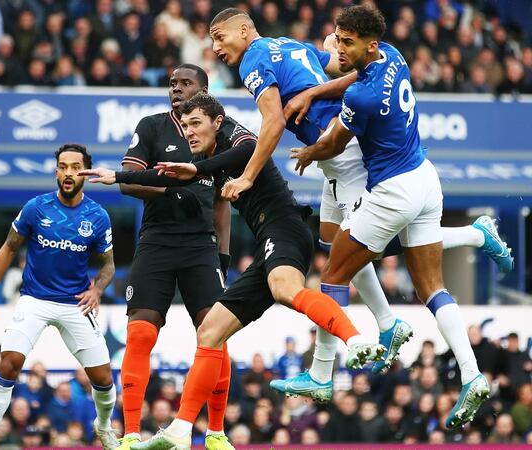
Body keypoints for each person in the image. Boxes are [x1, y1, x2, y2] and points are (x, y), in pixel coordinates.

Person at [208, 6, 511, 403]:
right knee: (332, 238)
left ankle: (325, 370)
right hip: (381, 165)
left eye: (220, 37)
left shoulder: (255, 59)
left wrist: (249, 175)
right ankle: (389, 321)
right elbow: (340, 66)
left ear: (245, 30)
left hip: (344, 157)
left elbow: (275, 122)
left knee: (342, 262)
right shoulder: (291, 45)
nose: (216, 47)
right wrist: (316, 85)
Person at [81, 93, 383, 448]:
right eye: (185, 125)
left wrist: (198, 170)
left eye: (196, 124)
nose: (189, 132)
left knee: (285, 289)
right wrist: (115, 175)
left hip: (285, 228)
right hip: (265, 241)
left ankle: (355, 339)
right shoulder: (204, 159)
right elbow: (173, 178)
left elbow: (250, 148)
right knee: (211, 331)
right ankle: (180, 430)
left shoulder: (234, 136)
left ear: (217, 122)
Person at [289, 5, 489, 428]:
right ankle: (472, 374)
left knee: (334, 273)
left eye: (347, 43)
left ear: (370, 45)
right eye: (338, 40)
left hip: (391, 192)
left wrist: (308, 152)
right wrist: (318, 90)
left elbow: (333, 144)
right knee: (432, 289)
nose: (339, 49)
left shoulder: (362, 98)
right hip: (425, 177)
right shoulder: (393, 56)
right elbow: (352, 77)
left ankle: (321, 374)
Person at [114, 63, 239, 450]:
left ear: (204, 92)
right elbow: (128, 180)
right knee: (140, 333)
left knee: (216, 334)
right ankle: (130, 433)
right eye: (172, 83)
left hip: (201, 246)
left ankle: (215, 433)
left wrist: (223, 257)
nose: (176, 89)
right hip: (157, 242)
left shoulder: (219, 134)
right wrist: (172, 191)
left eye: (186, 83)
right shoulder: (152, 126)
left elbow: (221, 203)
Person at [0, 143, 119, 450]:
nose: (68, 173)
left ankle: (103, 427)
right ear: (56, 172)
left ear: (86, 172)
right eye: (63, 167)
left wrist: (97, 290)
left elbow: (108, 264)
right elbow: (8, 248)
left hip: (75, 303)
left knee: (104, 379)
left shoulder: (98, 216)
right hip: (34, 300)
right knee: (8, 364)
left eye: (75, 167)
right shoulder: (36, 208)